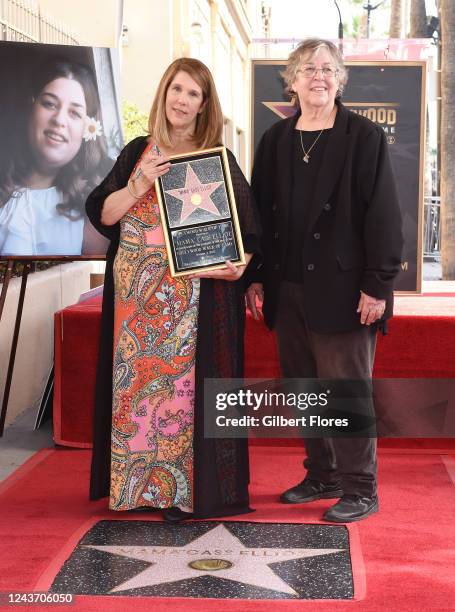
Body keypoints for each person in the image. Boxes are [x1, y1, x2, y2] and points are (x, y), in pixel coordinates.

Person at [86, 58, 260, 521]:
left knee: (182, 397)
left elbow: (251, 230)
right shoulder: (136, 152)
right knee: (135, 392)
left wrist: (240, 266)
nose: (182, 100)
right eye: (177, 90)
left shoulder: (216, 158)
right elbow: (102, 214)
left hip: (193, 296)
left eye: (193, 94)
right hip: (134, 300)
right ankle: (136, 489)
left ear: (204, 106)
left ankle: (184, 493)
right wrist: (140, 183)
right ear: (164, 93)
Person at [246, 38, 403, 523]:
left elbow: (384, 217)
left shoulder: (364, 138)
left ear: (339, 81)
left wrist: (377, 285)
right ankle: (323, 473)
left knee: (346, 390)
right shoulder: (275, 139)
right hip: (286, 287)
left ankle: (361, 488)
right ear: (291, 80)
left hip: (345, 290)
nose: (319, 75)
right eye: (309, 68)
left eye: (329, 68)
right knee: (304, 387)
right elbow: (259, 216)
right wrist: (256, 277)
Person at [0, 58, 111, 256]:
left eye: (74, 113)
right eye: (50, 104)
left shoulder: (93, 207)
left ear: (88, 129)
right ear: (31, 107)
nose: (59, 120)